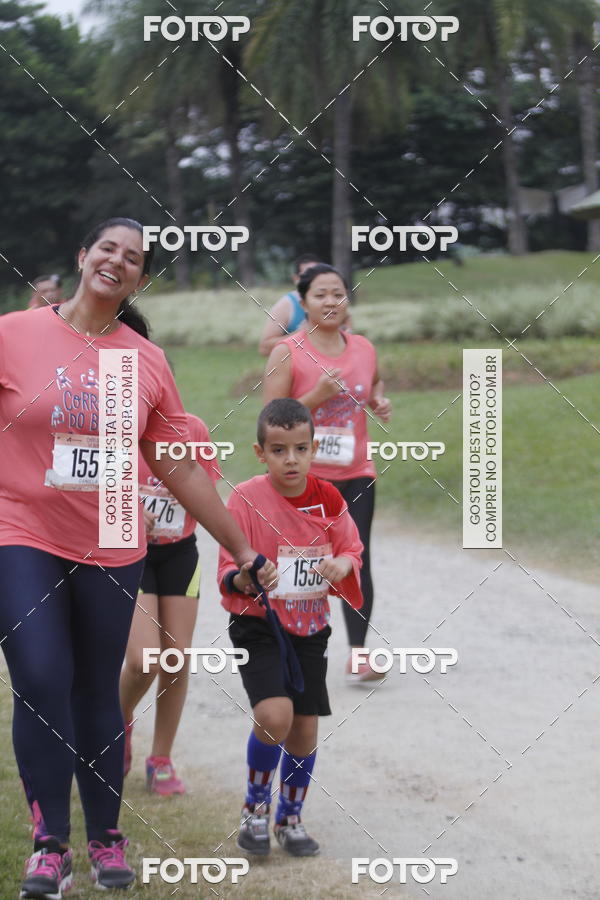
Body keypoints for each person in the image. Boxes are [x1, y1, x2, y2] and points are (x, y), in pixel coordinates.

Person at [0, 217, 276, 898]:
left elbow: (179, 466)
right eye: (107, 249)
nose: (117, 261)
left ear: (139, 278)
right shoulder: (14, 334)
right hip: (20, 529)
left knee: (97, 688)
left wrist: (241, 545)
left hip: (111, 538)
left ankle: (105, 837)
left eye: (132, 258)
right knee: (41, 676)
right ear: (83, 256)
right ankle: (50, 846)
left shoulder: (143, 360)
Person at [218, 398, 363, 857]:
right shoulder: (244, 498)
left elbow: (351, 548)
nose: (291, 459)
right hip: (258, 624)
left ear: (314, 448)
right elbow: (227, 569)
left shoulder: (329, 497)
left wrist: (342, 565)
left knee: (303, 728)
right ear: (260, 453)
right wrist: (245, 577)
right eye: (279, 450)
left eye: (301, 449)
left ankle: (290, 818)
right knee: (274, 716)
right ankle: (255, 808)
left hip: (310, 628)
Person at [262, 264, 391, 683]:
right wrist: (315, 397)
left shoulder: (364, 347)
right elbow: (271, 419)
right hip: (304, 477)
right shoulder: (287, 352)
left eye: (338, 293)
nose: (331, 301)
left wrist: (378, 401)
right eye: (320, 294)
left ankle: (359, 654)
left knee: (356, 558)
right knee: (301, 564)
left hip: (357, 471)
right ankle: (293, 650)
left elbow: (373, 383)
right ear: (303, 303)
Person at [121, 411, 222, 796]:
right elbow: (95, 490)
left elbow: (205, 490)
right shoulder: (117, 428)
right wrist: (129, 507)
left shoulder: (193, 429)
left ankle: (160, 759)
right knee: (144, 659)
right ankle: (116, 725)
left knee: (176, 659)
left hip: (179, 554)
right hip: (130, 553)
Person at [258, 254, 321, 357]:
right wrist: (300, 334)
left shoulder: (334, 304)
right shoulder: (286, 305)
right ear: (296, 279)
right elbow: (264, 349)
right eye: (307, 276)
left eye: (317, 276)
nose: (313, 280)